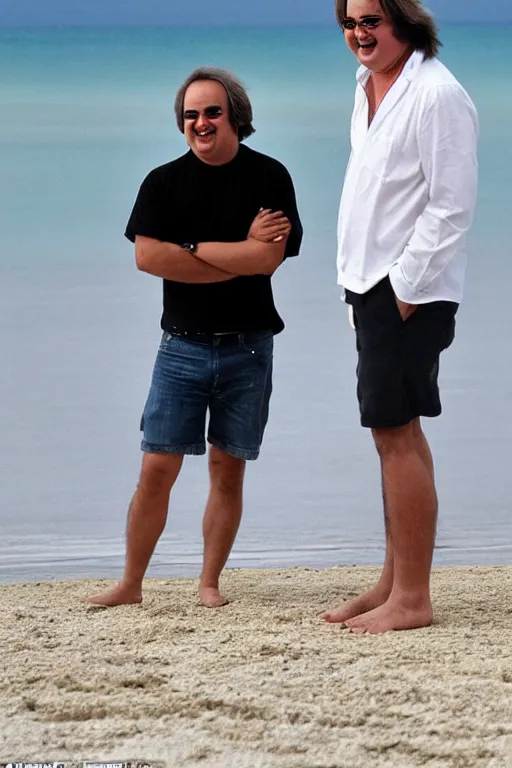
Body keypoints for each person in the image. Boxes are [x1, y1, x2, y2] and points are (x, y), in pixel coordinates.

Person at [87, 67, 302, 609]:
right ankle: (131, 584)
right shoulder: (162, 182)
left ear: (235, 117)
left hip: (249, 347)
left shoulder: (270, 176)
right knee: (156, 468)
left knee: (226, 470)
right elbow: (146, 257)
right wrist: (236, 255)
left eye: (211, 112)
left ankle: (209, 584)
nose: (201, 123)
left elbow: (267, 259)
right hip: (179, 347)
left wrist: (189, 250)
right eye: (191, 114)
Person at [322, 0, 478, 633]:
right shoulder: (368, 88)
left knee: (395, 432)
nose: (360, 33)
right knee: (395, 433)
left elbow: (452, 205)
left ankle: (413, 598)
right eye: (350, 22)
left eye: (372, 20)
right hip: (369, 286)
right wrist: (360, 288)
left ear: (404, 21)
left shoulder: (438, 94)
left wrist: (404, 289)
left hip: (406, 290)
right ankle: (394, 581)